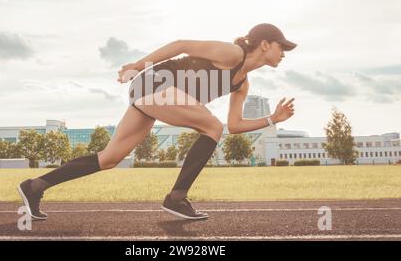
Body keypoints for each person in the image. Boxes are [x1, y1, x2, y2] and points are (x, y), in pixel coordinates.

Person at [18, 23, 297, 220]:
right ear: (264, 44)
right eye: (281, 47)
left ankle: (35, 186)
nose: (284, 53)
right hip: (154, 83)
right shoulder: (233, 53)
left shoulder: (243, 84)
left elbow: (234, 126)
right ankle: (176, 198)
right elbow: (181, 45)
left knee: (109, 158)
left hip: (154, 98)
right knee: (211, 126)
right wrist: (138, 65)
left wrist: (272, 118)